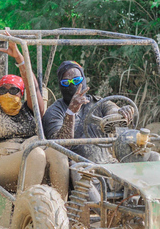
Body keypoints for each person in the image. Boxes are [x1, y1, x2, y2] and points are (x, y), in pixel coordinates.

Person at [0, 32, 69, 199]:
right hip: (3, 164)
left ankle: (63, 208)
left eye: (14, 90)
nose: (8, 93)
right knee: (36, 154)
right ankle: (24, 210)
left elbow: (34, 88)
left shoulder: (30, 110)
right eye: (3, 90)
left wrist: (19, 57)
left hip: (33, 157)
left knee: (58, 153)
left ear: (22, 93)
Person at [42, 60, 134, 202]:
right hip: (81, 170)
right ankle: (104, 215)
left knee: (149, 157)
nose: (72, 85)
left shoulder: (99, 103)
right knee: (79, 170)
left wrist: (123, 113)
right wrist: (71, 113)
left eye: (77, 80)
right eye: (66, 83)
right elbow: (60, 147)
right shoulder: (54, 112)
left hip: (109, 165)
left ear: (84, 80)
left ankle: (142, 210)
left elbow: (113, 112)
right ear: (60, 85)